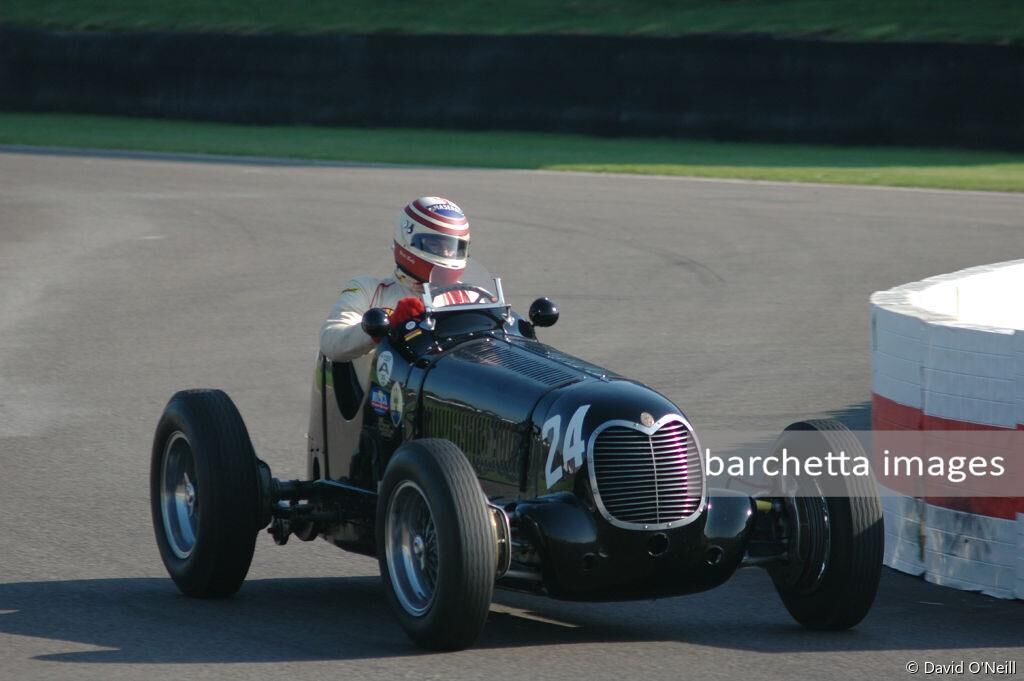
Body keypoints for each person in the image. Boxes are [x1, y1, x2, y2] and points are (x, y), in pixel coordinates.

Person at [319, 196, 471, 392]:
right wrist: (387, 325)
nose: (446, 254)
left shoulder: (470, 297)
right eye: (436, 245)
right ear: (407, 240)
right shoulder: (368, 289)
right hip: (383, 400)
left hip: (449, 392)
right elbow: (331, 342)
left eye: (453, 248)